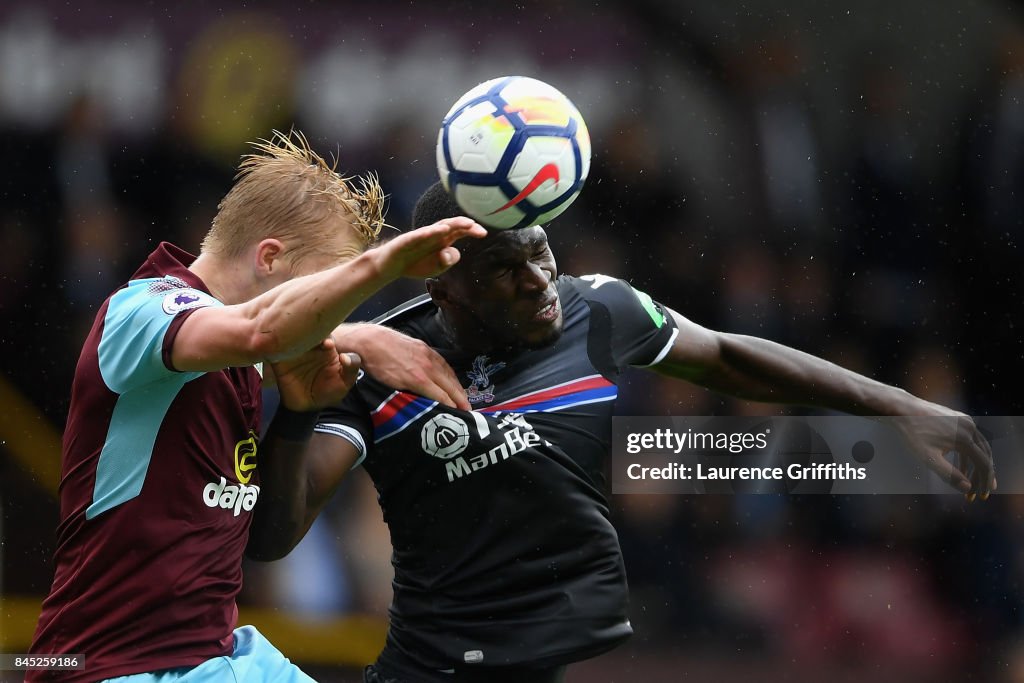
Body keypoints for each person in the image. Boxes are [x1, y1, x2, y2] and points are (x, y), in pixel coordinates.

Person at [246, 181, 996, 683]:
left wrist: (899, 405)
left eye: (540, 250)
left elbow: (734, 355)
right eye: (506, 269)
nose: (539, 279)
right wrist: (303, 409)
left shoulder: (597, 310)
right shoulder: (375, 365)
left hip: (552, 663)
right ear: (446, 287)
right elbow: (274, 535)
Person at [27, 135, 485, 683]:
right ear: (269, 258)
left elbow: (268, 542)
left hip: (216, 656)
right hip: (106, 666)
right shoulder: (140, 312)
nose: (328, 311)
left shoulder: (247, 361)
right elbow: (260, 328)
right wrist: (383, 269)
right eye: (327, 286)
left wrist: (300, 412)